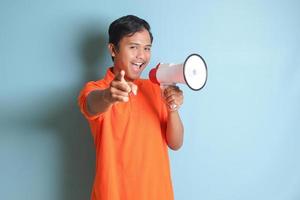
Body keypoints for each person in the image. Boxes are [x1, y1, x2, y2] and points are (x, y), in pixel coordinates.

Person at [78, 15, 184, 200]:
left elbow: (176, 143)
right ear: (113, 49)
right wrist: (108, 95)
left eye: (147, 48)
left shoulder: (155, 88)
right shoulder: (97, 89)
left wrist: (172, 108)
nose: (141, 56)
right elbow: (91, 105)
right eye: (133, 47)